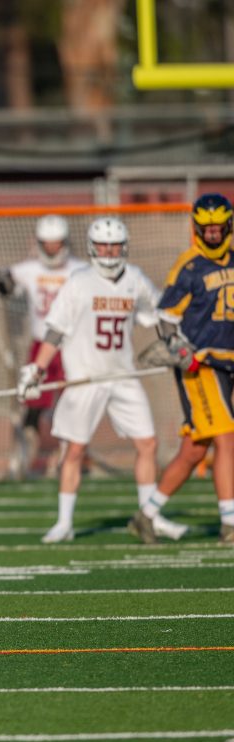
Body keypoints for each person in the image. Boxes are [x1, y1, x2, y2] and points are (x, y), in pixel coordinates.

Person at [16, 217, 186, 543]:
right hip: (86, 377)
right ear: (94, 248)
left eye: (115, 246)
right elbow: (56, 331)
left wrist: (173, 341)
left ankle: (149, 515)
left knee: (147, 444)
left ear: (124, 247)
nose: (109, 252)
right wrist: (36, 369)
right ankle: (64, 522)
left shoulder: (134, 278)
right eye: (104, 246)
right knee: (74, 450)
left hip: (123, 375)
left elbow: (160, 313)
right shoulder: (79, 282)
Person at [128, 193, 234, 544]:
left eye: (218, 227)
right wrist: (180, 349)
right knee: (227, 436)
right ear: (197, 229)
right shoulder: (189, 267)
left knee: (194, 451)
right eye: (207, 228)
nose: (213, 234)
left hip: (228, 363)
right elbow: (165, 316)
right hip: (200, 365)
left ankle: (146, 515)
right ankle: (230, 523)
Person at [0, 215, 84, 475]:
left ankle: (65, 455)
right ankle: (26, 452)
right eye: (48, 244)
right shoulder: (31, 269)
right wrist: (4, 281)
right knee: (32, 402)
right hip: (41, 345)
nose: (53, 249)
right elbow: (6, 277)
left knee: (73, 403)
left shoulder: (79, 270)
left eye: (57, 244)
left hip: (71, 345)